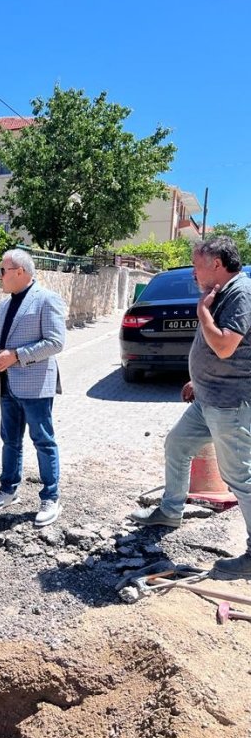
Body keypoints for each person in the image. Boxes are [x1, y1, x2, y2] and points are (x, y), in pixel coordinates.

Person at [131, 236, 251, 580]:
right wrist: (197, 380)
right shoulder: (223, 292)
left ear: (216, 264)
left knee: (240, 477)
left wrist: (201, 313)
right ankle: (170, 511)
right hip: (208, 397)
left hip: (231, 403)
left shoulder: (241, 292)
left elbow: (226, 346)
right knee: (178, 444)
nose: (193, 272)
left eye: (197, 265)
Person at [0, 249, 66, 526]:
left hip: (35, 385)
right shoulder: (4, 305)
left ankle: (50, 497)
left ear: (20, 272)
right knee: (10, 440)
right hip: (8, 384)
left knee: (43, 440)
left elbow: (56, 342)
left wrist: (16, 355)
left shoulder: (46, 299)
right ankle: (8, 489)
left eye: (3, 270)